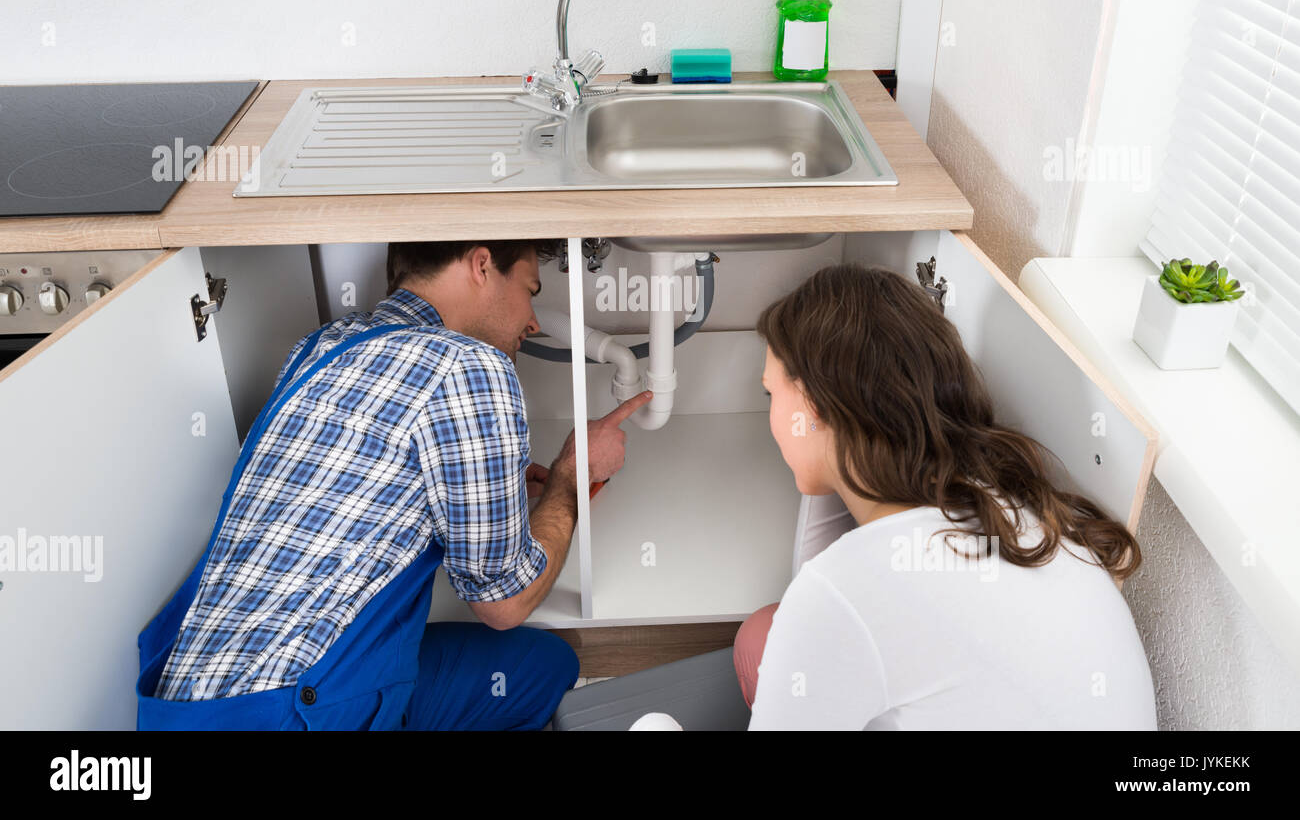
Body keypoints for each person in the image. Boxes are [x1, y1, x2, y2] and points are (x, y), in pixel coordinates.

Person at [136, 239, 653, 730]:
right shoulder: (471, 364)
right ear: (480, 265)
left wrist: (484, 478)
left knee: (536, 669)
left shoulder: (321, 346)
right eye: (529, 290)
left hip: (183, 705)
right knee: (542, 668)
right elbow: (505, 604)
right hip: (294, 713)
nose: (533, 320)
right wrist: (572, 472)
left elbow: (353, 463)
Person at [734, 262, 1157, 729]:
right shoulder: (1014, 508)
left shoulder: (842, 592)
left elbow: (828, 599)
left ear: (813, 403)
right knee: (764, 636)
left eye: (771, 393)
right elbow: (822, 593)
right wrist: (829, 442)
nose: (770, 414)